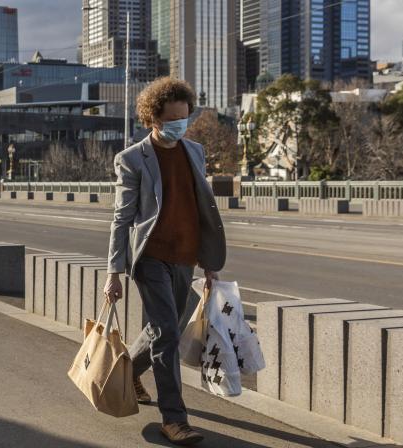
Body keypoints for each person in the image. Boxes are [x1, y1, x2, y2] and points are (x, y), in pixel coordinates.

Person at [104, 78, 226, 446]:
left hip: (185, 255)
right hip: (151, 257)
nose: (180, 125)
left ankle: (126, 373)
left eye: (184, 118)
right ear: (152, 118)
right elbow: (121, 218)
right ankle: (173, 419)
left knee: (162, 330)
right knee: (169, 336)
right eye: (172, 119)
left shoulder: (195, 151)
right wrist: (114, 272)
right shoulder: (132, 158)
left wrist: (209, 262)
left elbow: (200, 209)